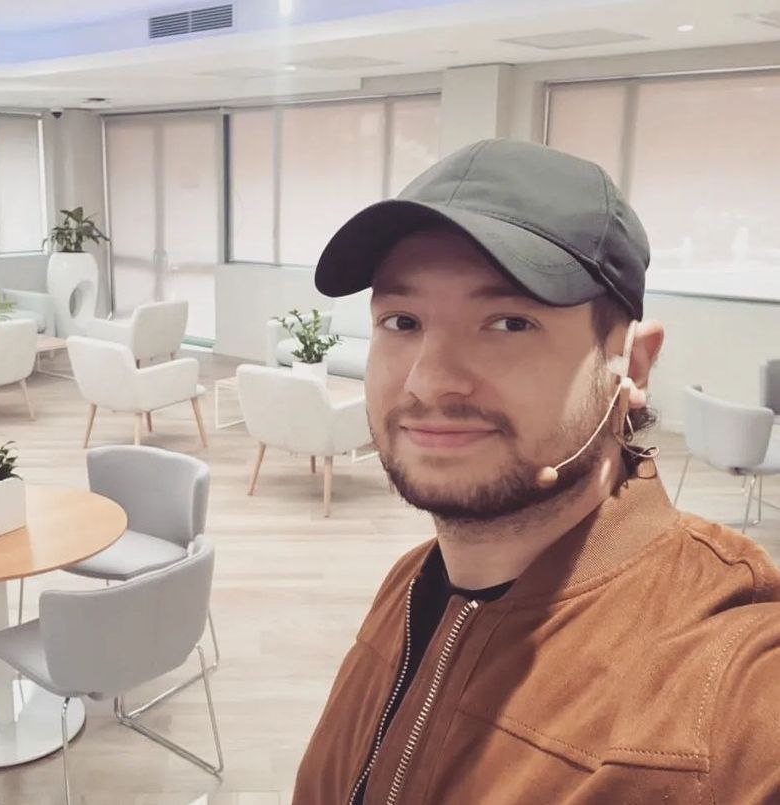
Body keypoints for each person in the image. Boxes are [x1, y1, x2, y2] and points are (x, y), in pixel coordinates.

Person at [292, 139, 780, 804]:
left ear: (632, 365)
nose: (429, 380)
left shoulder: (722, 681)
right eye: (401, 321)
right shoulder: (410, 582)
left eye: (509, 323)